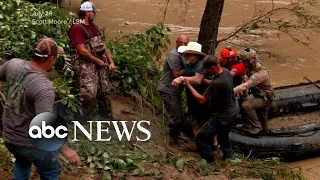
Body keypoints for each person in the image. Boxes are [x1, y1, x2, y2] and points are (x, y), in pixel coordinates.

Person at [1, 38, 80, 179]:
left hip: (9, 138)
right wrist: (66, 149)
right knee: (50, 170)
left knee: (22, 161)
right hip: (29, 143)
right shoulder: (43, 87)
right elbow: (45, 125)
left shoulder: (13, 64)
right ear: (51, 59)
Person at [183, 55, 237, 163]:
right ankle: (229, 158)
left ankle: (209, 160)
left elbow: (202, 99)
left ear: (212, 68)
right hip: (231, 111)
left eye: (206, 69)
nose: (205, 71)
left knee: (201, 137)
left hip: (221, 116)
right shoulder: (226, 72)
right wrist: (204, 81)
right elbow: (213, 84)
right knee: (223, 136)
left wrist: (189, 86)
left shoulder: (218, 83)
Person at [68, 1, 116, 120]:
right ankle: (82, 118)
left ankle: (106, 115)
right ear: (87, 12)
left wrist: (111, 62)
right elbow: (82, 51)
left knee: (104, 89)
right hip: (84, 63)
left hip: (99, 61)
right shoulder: (77, 27)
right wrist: (97, 61)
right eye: (94, 12)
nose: (95, 14)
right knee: (89, 92)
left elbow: (103, 45)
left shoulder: (94, 27)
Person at [171, 42, 211, 140]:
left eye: (188, 53)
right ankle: (198, 142)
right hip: (192, 96)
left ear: (195, 55)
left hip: (203, 97)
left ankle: (213, 145)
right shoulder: (189, 63)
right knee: (193, 119)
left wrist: (181, 78)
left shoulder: (201, 64)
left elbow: (197, 80)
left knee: (205, 121)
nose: (185, 55)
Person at [233, 48, 274, 134]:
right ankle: (252, 126)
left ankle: (256, 127)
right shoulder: (251, 67)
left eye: (244, 61)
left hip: (265, 98)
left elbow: (245, 85)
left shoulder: (260, 74)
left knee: (246, 105)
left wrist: (231, 91)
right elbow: (245, 79)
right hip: (259, 95)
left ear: (250, 61)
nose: (242, 63)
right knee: (262, 115)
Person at [159, 34, 189, 147]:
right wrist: (188, 69)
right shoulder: (174, 55)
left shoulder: (184, 54)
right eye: (180, 42)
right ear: (176, 42)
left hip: (175, 90)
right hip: (168, 89)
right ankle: (173, 141)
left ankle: (177, 136)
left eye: (185, 43)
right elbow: (176, 74)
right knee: (175, 117)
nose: (182, 45)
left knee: (180, 114)